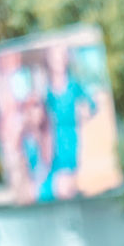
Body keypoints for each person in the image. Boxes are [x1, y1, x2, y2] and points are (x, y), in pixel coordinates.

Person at [44, 47, 97, 199]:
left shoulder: (74, 85)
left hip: (71, 134)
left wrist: (84, 114)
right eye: (55, 59)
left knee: (70, 173)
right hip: (53, 137)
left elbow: (92, 105)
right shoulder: (46, 89)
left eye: (61, 58)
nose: (58, 62)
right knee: (58, 175)